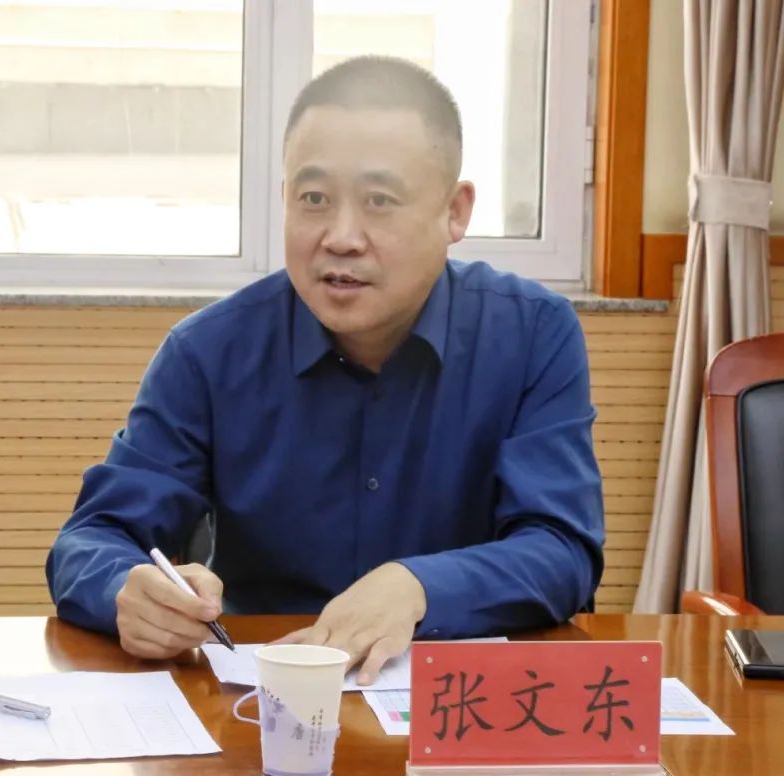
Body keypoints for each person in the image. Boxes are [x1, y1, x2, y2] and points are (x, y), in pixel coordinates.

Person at [46, 55, 604, 684]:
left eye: (379, 201)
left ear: (455, 211)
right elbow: (92, 538)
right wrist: (126, 590)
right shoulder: (208, 351)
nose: (341, 237)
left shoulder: (532, 335)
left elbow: (562, 549)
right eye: (314, 199)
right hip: (261, 699)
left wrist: (419, 587)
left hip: (461, 700)